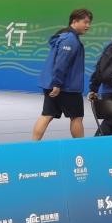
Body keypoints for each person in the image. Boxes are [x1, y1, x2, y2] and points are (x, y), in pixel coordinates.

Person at [31, 8, 91, 140]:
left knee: (47, 115)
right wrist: (57, 84)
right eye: (85, 22)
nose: (88, 26)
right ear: (74, 21)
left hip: (55, 85)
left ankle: (33, 145)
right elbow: (61, 63)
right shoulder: (70, 40)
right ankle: (80, 148)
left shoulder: (64, 37)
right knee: (76, 117)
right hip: (65, 87)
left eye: (89, 23)